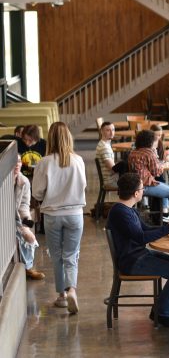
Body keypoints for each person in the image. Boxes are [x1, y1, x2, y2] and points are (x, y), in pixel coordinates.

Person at [106, 173, 169, 329]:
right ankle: (162, 313)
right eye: (142, 188)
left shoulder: (129, 210)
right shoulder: (120, 212)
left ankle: (163, 307)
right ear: (136, 193)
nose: (144, 191)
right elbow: (141, 237)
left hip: (140, 256)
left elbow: (146, 230)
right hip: (132, 261)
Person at [32, 122, 86, 314]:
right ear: (69, 137)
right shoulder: (78, 160)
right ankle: (72, 289)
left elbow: (37, 193)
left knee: (57, 256)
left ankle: (62, 297)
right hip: (75, 214)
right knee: (72, 255)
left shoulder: (44, 162)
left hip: (53, 215)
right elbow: (83, 185)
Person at [128, 130, 169, 221]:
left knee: (165, 187)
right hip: (145, 186)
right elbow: (157, 172)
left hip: (134, 185)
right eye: (155, 140)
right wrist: (162, 165)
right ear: (150, 141)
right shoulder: (149, 153)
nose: (157, 143)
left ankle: (165, 215)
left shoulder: (133, 152)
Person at [14, 154, 45, 280]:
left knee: (30, 237)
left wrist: (26, 223)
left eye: (19, 161)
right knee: (17, 237)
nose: (17, 164)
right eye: (14, 162)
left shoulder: (24, 181)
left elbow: (24, 205)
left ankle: (28, 267)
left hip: (16, 218)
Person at [95, 121, 119, 187]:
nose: (112, 133)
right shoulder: (104, 148)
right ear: (101, 132)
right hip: (110, 181)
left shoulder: (104, 144)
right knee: (135, 183)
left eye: (113, 130)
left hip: (111, 178)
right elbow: (113, 169)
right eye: (108, 130)